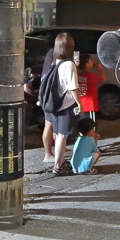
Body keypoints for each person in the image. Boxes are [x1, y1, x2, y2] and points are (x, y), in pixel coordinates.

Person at [48, 33, 83, 175]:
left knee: (58, 134)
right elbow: (73, 87)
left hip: (55, 104)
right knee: (62, 135)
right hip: (66, 104)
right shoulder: (69, 65)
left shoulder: (56, 62)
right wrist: (79, 103)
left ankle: (59, 161)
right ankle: (57, 165)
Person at [77, 54, 103, 123]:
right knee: (91, 124)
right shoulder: (91, 76)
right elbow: (102, 78)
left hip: (82, 104)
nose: (92, 62)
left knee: (82, 123)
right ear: (87, 63)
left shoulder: (78, 76)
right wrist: (100, 67)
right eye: (90, 61)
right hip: (90, 105)